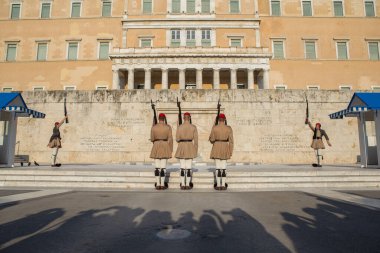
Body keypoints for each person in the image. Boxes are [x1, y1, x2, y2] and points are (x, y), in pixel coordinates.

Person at [209, 113, 234, 190]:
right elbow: (231, 141)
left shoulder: (215, 128)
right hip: (225, 147)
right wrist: (230, 151)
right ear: (224, 120)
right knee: (223, 168)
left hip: (216, 146)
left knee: (217, 168)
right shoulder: (229, 128)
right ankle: (223, 185)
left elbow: (212, 140)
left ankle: (218, 185)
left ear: (218, 120)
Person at [150, 113, 173, 190]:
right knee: (163, 167)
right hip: (165, 145)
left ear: (158, 118)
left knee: (157, 168)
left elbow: (152, 138)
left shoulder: (154, 127)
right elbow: (170, 138)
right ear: (164, 119)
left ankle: (158, 184)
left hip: (156, 145)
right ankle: (162, 184)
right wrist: (170, 149)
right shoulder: (168, 127)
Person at [175, 112, 198, 190]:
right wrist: (195, 150)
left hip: (181, 146)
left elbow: (177, 139)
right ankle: (187, 184)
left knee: (182, 167)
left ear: (184, 118)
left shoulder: (180, 127)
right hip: (190, 146)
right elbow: (196, 140)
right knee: (188, 168)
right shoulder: (193, 127)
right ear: (189, 118)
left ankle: (183, 184)